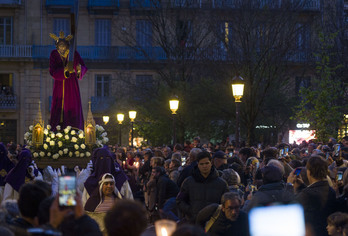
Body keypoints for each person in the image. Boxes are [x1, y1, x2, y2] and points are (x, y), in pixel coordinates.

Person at [288, 155, 337, 236]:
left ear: (309, 172)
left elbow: (289, 206)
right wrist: (302, 186)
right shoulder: (331, 190)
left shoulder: (307, 194)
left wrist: (289, 185)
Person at [48, 31, 87, 131]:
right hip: (59, 84)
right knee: (58, 108)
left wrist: (78, 69)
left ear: (67, 45)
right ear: (57, 46)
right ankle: (57, 129)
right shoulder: (54, 54)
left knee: (72, 105)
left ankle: (74, 129)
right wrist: (64, 72)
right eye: (59, 46)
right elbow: (52, 71)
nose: (61, 48)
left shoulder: (74, 54)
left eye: (63, 45)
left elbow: (83, 67)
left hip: (71, 84)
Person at [176, 151, 229, 223]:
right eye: (202, 164)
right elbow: (180, 200)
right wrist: (190, 211)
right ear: (198, 165)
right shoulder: (189, 182)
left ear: (211, 163)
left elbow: (226, 203)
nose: (204, 166)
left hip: (213, 223)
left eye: (207, 163)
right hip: (193, 221)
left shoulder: (222, 183)